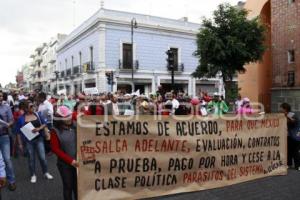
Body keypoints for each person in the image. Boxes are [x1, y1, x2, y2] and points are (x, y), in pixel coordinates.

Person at [16, 101, 53, 183]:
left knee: (42, 158)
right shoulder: (21, 119)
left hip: (39, 138)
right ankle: (33, 174)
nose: (33, 107)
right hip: (29, 141)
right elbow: (18, 132)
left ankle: (46, 172)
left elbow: (44, 123)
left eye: (33, 105)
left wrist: (39, 129)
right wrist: (20, 144)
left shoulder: (38, 115)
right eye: (31, 106)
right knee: (31, 159)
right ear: (26, 108)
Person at [51, 106, 78, 200]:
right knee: (68, 186)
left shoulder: (76, 125)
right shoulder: (55, 130)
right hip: (65, 165)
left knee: (78, 187)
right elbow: (55, 149)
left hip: (78, 163)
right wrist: (71, 161)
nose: (69, 118)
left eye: (70, 115)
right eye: (66, 117)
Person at [0, 91, 16, 191]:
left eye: (1, 96)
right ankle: (1, 179)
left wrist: (9, 124)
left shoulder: (6, 107)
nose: (0, 97)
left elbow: (12, 120)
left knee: (7, 159)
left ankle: (11, 181)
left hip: (4, 136)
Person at [280, 103, 300, 170]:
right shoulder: (286, 115)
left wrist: (287, 116)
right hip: (290, 136)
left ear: (285, 108)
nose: (281, 109)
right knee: (289, 151)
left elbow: (293, 121)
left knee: (295, 151)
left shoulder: (291, 114)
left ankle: (297, 166)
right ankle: (289, 164)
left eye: (282, 108)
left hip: (294, 136)